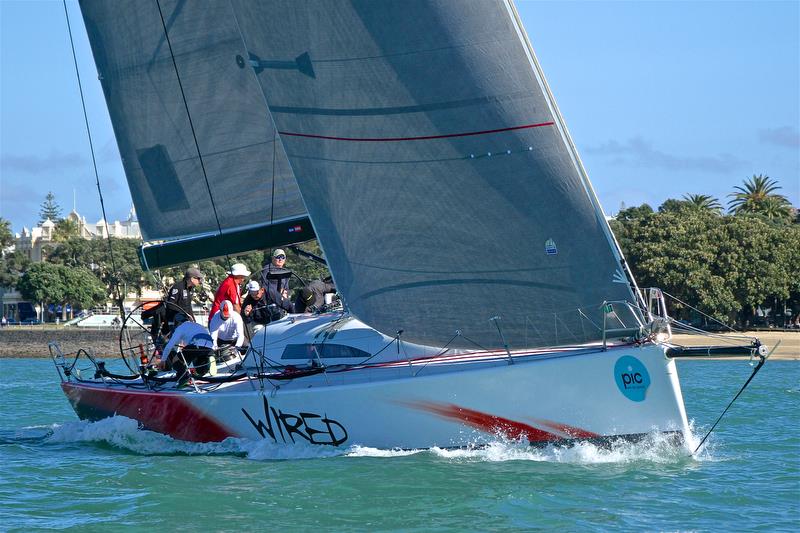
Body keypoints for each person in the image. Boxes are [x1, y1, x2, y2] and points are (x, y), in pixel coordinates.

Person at [147, 267, 203, 344]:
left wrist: (193, 320)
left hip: (183, 320)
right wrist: (184, 314)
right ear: (192, 278)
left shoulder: (189, 289)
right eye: (198, 279)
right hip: (174, 320)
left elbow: (188, 307)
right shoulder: (178, 287)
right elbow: (171, 304)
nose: (200, 281)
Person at [260, 249, 295, 316]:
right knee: (291, 307)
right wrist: (278, 292)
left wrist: (285, 293)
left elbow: (286, 288)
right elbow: (265, 286)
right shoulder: (267, 269)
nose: (280, 259)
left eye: (283, 257)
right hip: (271, 301)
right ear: (273, 258)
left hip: (283, 300)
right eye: (278, 257)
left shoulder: (285, 271)